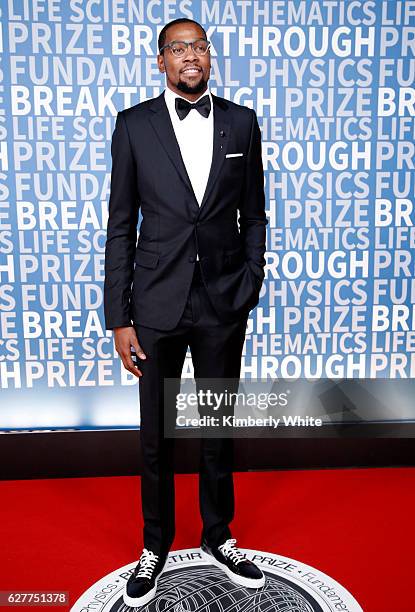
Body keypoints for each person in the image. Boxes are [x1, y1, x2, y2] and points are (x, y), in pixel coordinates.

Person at [104, 17, 268, 608]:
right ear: (160, 61)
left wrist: (250, 280)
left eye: (199, 46)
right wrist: (119, 317)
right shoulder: (133, 126)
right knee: (156, 435)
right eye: (178, 48)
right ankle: (156, 545)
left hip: (224, 301)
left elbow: (256, 213)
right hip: (155, 303)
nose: (190, 56)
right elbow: (120, 226)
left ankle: (219, 536)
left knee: (216, 427)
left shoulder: (242, 122)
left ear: (210, 56)